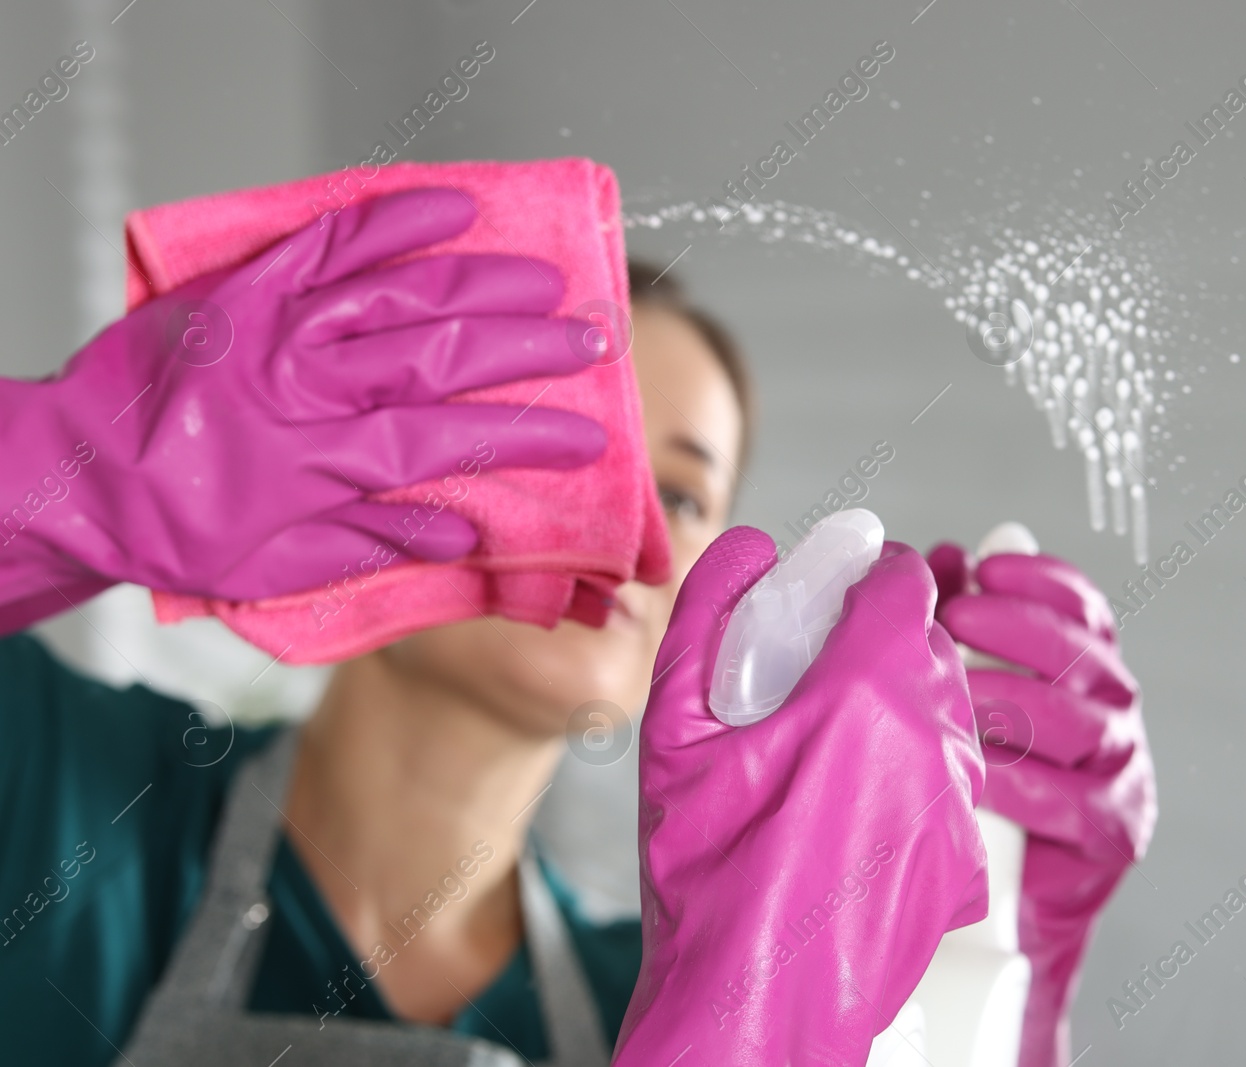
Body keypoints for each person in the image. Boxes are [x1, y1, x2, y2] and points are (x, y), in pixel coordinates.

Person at [0, 188, 1152, 1067]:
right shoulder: (65, 791)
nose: (626, 525)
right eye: (565, 443)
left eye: (687, 494)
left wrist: (1018, 969)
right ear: (366, 472)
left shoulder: (661, 984)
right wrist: (68, 478)